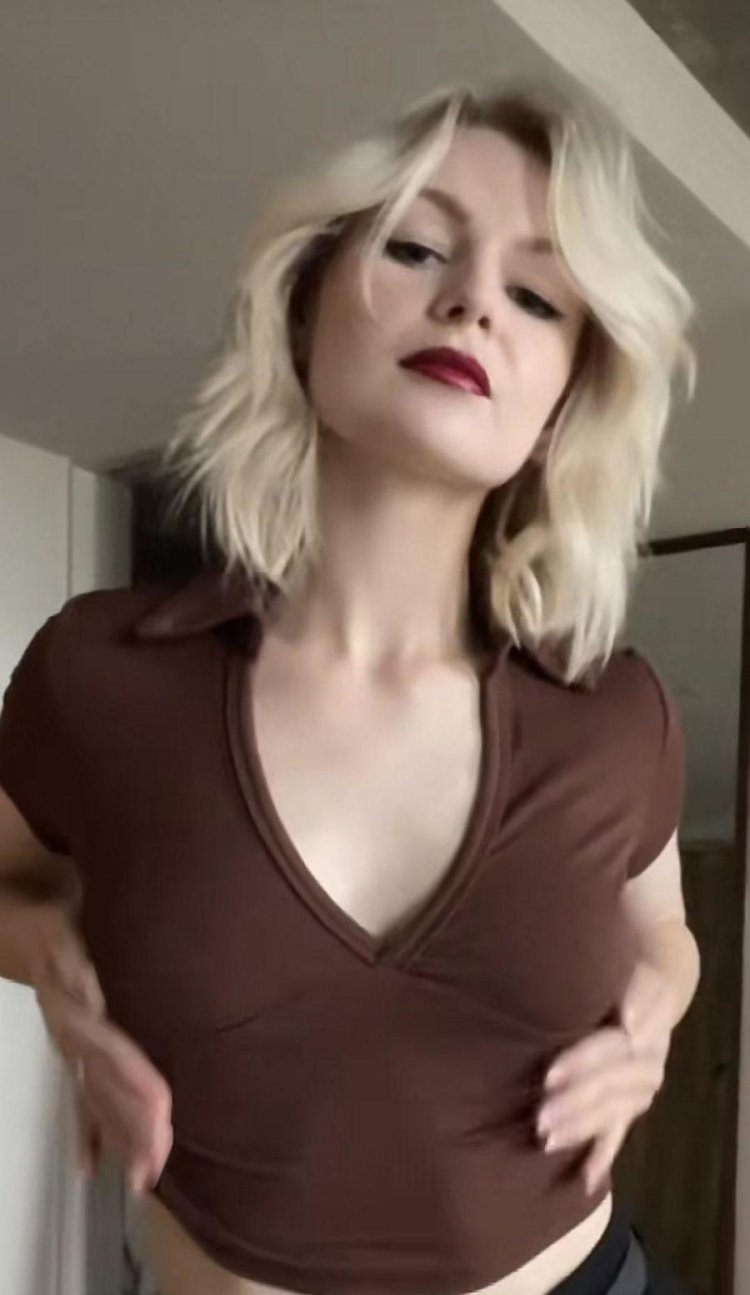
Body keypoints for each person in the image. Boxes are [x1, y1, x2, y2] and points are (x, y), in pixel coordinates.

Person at [0, 77, 701, 1295]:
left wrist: (654, 1023)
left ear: (562, 402)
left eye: (537, 296)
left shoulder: (615, 715)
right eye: (419, 246)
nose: (473, 301)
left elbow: (665, 935)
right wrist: (53, 966)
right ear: (303, 308)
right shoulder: (101, 675)